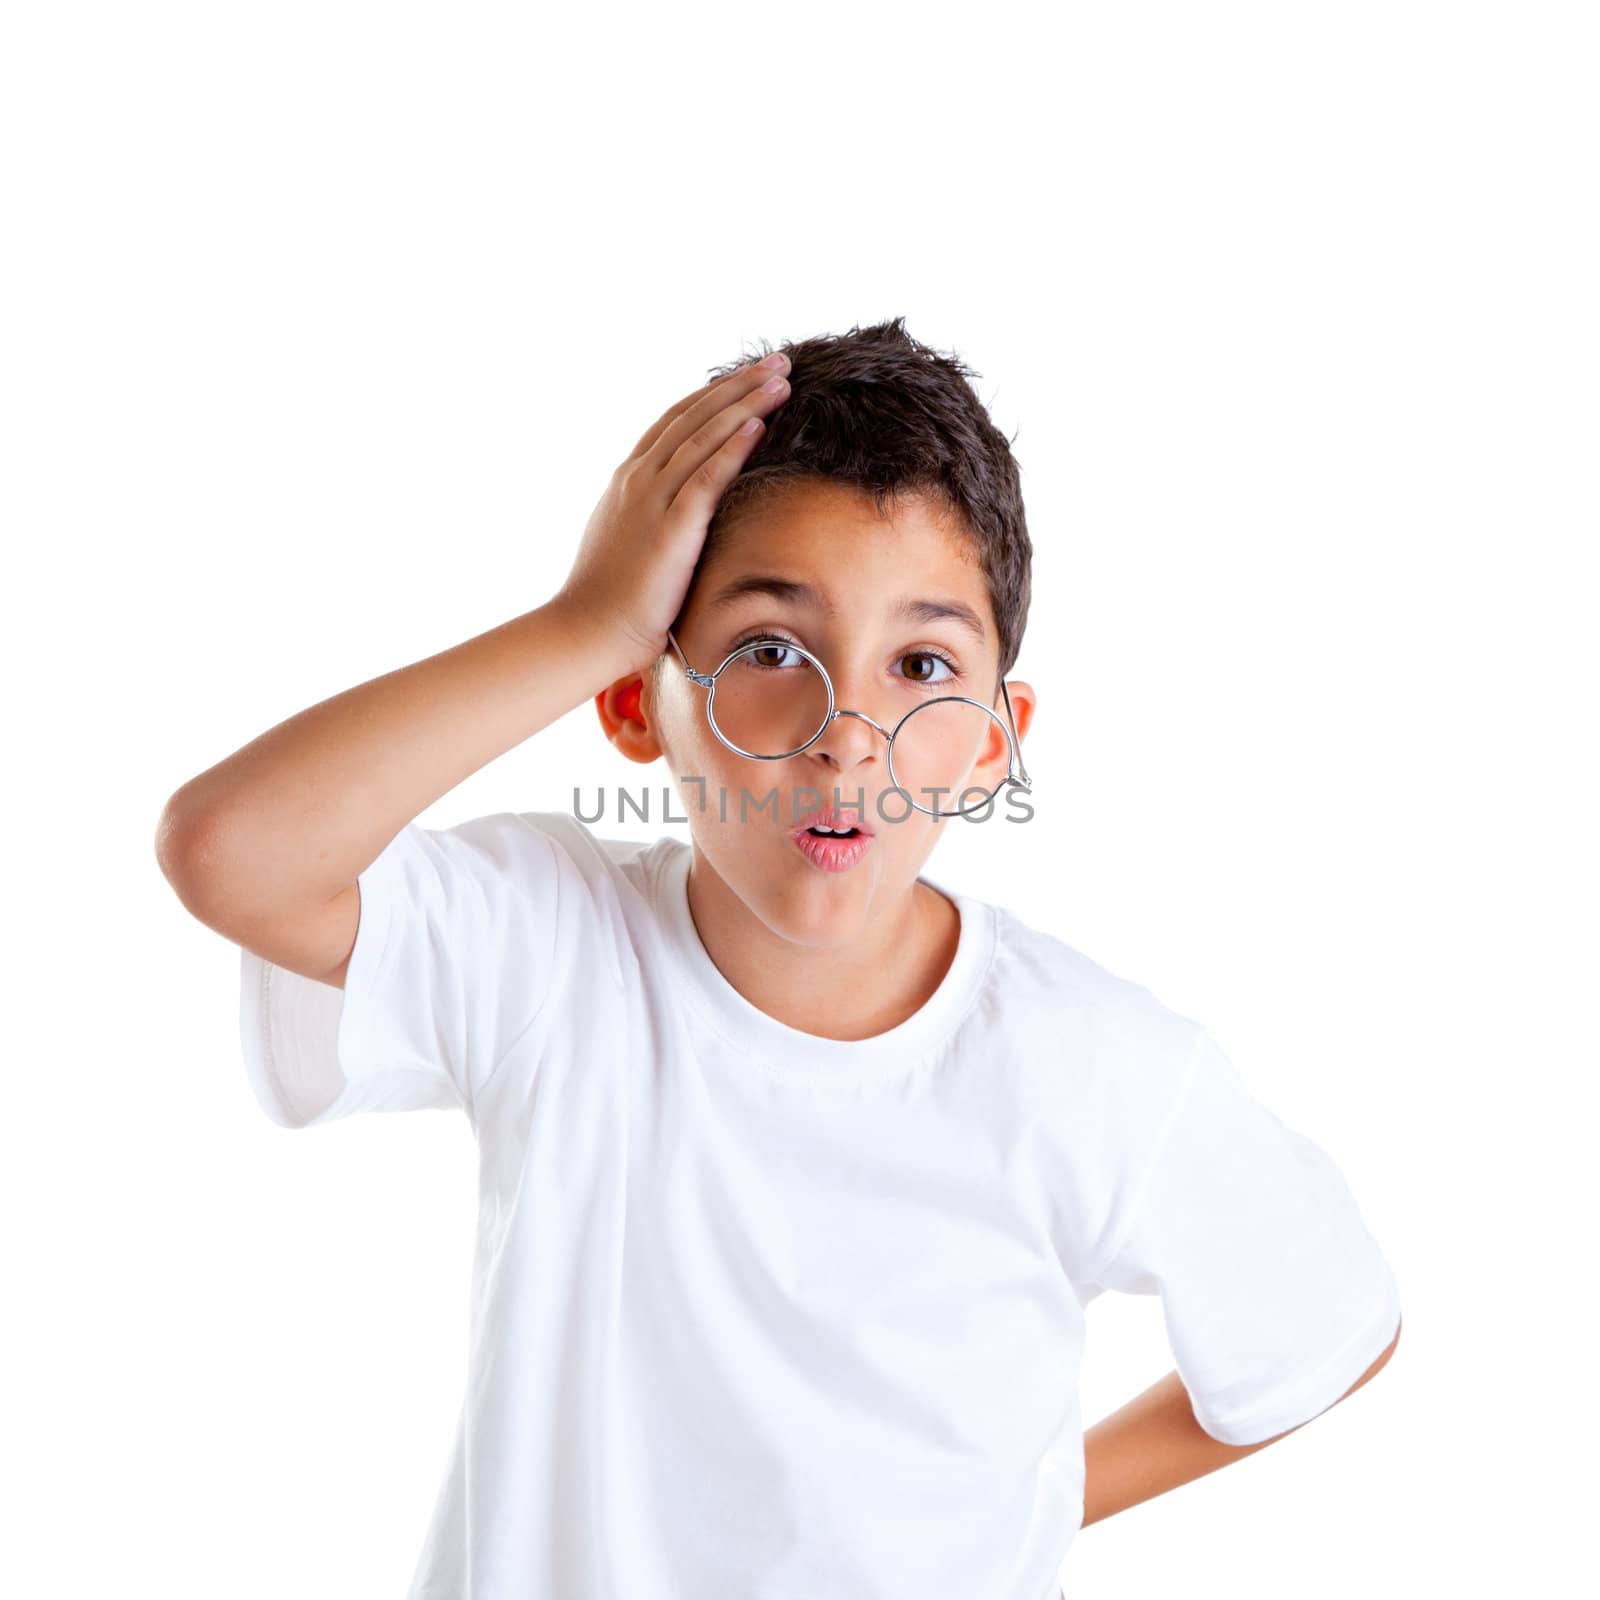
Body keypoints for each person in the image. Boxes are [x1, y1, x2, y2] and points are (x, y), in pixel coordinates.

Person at [155, 317, 1402, 1599]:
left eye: (920, 664)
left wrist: (1041, 1494)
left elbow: (1327, 1326)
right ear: (640, 701)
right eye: (767, 651)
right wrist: (585, 620)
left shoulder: (1098, 1069)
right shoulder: (547, 949)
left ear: (990, 740)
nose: (846, 736)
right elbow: (230, 852)